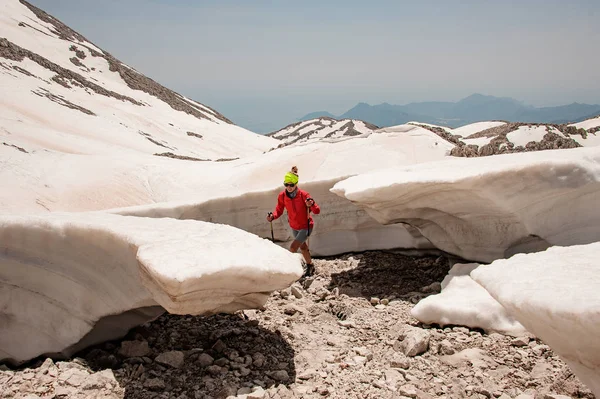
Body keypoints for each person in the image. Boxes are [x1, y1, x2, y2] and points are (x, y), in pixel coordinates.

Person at [267, 168, 320, 277]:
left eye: (291, 185)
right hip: (294, 227)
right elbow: (279, 210)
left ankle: (288, 273)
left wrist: (311, 204)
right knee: (303, 247)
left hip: (306, 226)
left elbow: (317, 210)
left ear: (296, 183)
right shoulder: (282, 196)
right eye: (286, 184)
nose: (289, 187)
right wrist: (273, 216)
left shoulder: (304, 195)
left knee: (293, 248)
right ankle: (310, 265)